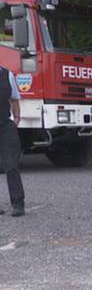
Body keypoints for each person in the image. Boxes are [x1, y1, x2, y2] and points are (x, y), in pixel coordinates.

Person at [0, 63, 25, 217]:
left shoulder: (7, 74)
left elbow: (14, 99)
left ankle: (18, 203)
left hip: (5, 125)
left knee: (11, 164)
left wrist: (16, 118)